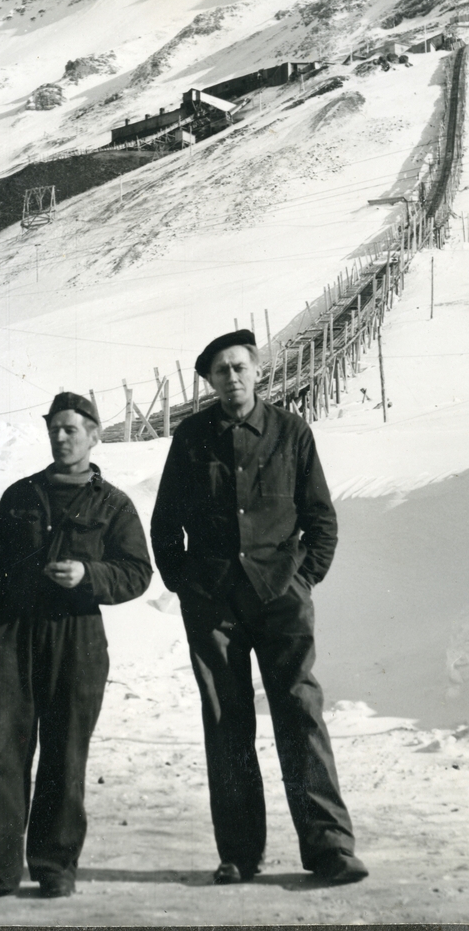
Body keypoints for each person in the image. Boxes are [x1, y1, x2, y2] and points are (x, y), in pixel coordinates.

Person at [150, 329, 367, 887]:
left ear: (257, 369)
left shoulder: (292, 432)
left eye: (240, 366)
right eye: (220, 371)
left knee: (300, 713)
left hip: (280, 601)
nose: (232, 378)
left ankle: (330, 848)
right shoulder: (192, 437)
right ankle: (240, 854)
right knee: (227, 723)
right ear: (209, 380)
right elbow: (164, 523)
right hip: (214, 605)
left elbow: (320, 520)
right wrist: (188, 585)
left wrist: (302, 581)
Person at [0, 391, 152, 912]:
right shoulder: (19, 495)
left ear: (93, 435)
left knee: (65, 752)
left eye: (71, 429)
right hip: (14, 634)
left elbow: (137, 572)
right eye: (55, 429)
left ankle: (55, 865)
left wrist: (90, 575)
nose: (61, 438)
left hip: (77, 637)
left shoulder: (114, 504)